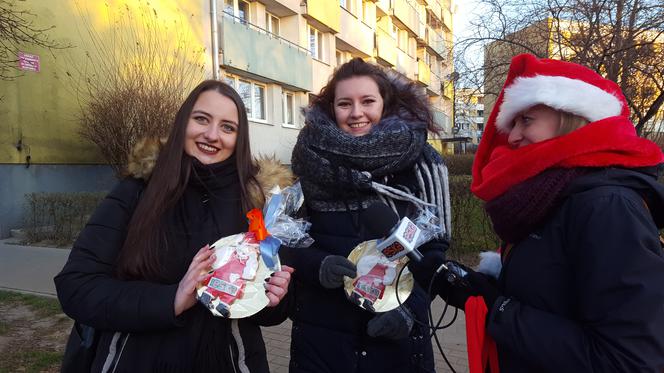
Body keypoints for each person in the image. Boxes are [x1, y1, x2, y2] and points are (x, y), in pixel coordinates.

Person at [410, 54, 664, 372]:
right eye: (512, 123)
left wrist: (499, 310)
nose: (513, 136)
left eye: (526, 120)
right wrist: (461, 286)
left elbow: (629, 360)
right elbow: (549, 298)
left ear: (573, 118)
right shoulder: (551, 197)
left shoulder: (607, 207)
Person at [55, 80, 295, 372]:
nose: (212, 135)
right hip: (136, 361)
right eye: (201, 119)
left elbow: (265, 311)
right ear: (183, 122)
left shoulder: (256, 204)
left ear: (239, 138)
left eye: (227, 127)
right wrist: (172, 299)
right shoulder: (136, 192)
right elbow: (77, 287)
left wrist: (274, 298)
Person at [282, 58, 451, 373]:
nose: (356, 112)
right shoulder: (308, 162)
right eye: (345, 103)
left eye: (367, 101)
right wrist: (316, 265)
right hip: (322, 342)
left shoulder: (423, 164)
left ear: (385, 104)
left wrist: (408, 313)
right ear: (332, 108)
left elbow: (434, 255)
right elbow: (286, 241)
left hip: (394, 345)